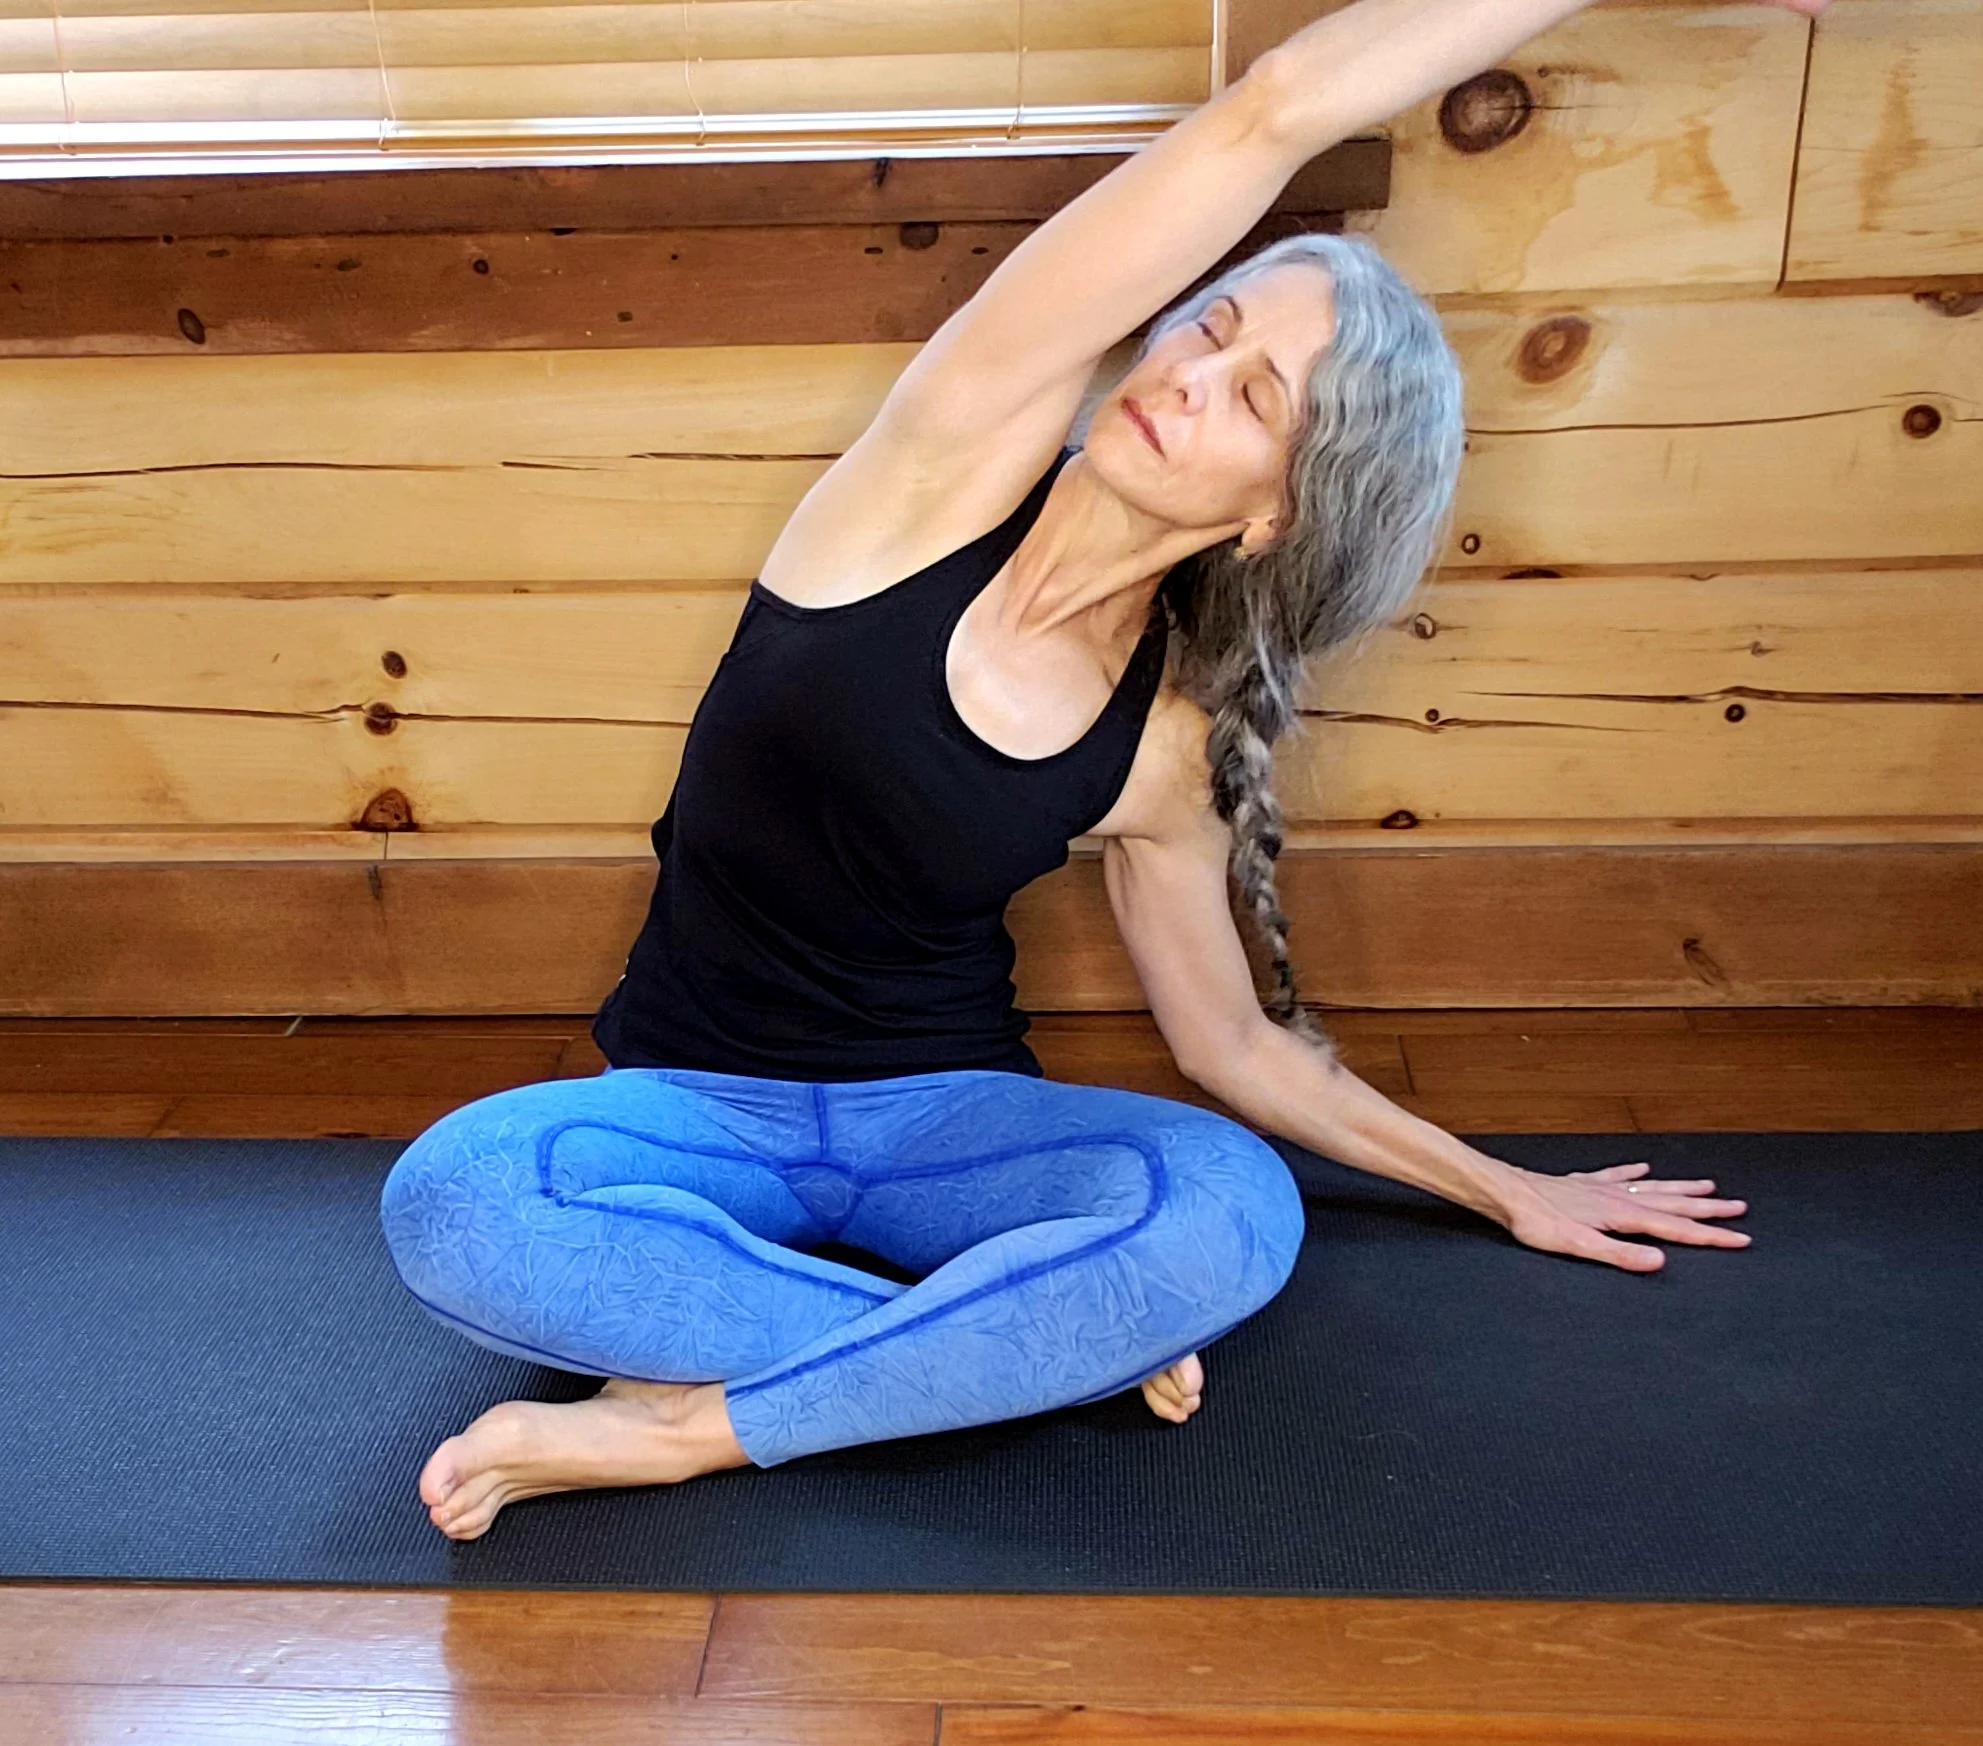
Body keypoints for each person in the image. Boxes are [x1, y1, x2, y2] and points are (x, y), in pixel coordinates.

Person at [381, 0, 1822, 1543]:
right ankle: (1015, 1348)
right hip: (687, 1104)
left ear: (1274, 513)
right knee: (457, 1200)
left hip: (946, 1126)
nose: (1189, 374)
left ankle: (692, 1427)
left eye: (1253, 399)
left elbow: (1237, 1049)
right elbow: (1273, 107)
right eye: (1213, 327)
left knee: (1229, 1213)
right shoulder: (935, 471)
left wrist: (1503, 1186)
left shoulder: (1169, 734)